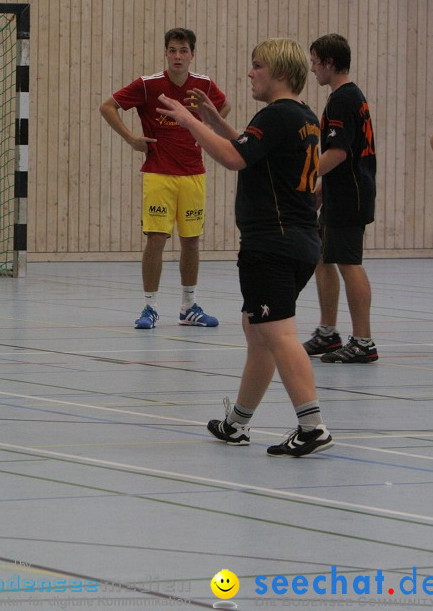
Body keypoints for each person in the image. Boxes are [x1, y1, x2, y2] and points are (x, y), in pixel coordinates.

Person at [159, 38, 334, 457]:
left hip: (272, 243)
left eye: (257, 66)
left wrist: (188, 120)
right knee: (257, 331)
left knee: (278, 333)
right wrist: (214, 120)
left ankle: (312, 426)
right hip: (298, 241)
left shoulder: (276, 114)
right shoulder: (302, 116)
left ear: (280, 73)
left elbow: (234, 158)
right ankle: (237, 423)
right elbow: (250, 149)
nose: (250, 73)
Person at [99, 28, 231, 330]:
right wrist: (131, 137)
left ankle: (188, 306)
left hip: (193, 173)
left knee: (191, 241)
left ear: (192, 54)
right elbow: (107, 106)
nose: (177, 56)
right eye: (172, 50)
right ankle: (150, 306)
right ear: (165, 54)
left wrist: (207, 129)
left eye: (183, 50)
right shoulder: (149, 85)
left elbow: (224, 105)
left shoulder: (203, 85)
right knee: (156, 239)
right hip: (158, 173)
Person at [301, 34, 378, 364]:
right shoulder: (347, 96)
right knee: (323, 257)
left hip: (351, 194)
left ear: (330, 64)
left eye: (316, 62)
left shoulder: (343, 100)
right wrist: (322, 186)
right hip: (340, 191)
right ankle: (328, 333)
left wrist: (309, 176)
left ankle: (363, 341)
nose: (313, 68)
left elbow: (339, 151)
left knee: (349, 263)